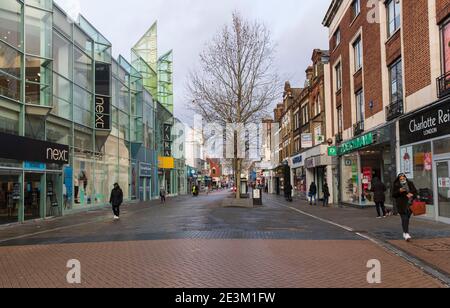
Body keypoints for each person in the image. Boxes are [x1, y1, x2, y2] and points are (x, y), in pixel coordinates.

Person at [392, 173, 417, 242]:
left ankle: (405, 231)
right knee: (404, 218)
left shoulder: (410, 183)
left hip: (410, 204)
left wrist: (412, 194)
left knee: (406, 219)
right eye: (401, 179)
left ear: (405, 178)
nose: (403, 180)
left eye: (404, 178)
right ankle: (406, 233)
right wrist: (399, 191)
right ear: (399, 179)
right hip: (401, 205)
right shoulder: (396, 185)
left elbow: (415, 192)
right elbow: (393, 195)